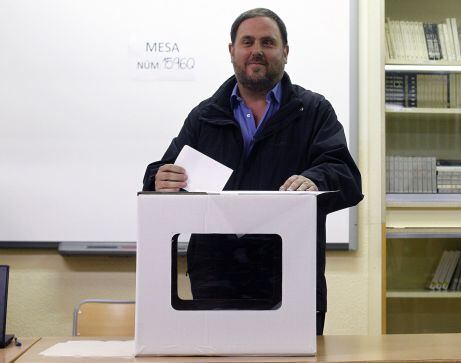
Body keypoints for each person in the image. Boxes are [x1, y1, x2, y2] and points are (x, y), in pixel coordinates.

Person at [143, 8, 363, 335]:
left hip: (293, 280)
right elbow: (163, 175)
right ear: (232, 50)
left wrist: (315, 179)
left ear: (285, 52)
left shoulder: (314, 111)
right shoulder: (205, 116)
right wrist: (158, 178)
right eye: (247, 41)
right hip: (215, 281)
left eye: (268, 42)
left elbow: (346, 176)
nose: (256, 50)